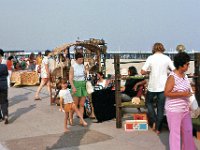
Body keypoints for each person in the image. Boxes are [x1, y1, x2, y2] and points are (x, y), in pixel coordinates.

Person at [164, 52, 196, 150]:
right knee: (175, 135)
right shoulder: (172, 77)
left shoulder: (185, 76)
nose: (188, 66)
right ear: (181, 65)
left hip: (185, 110)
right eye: (187, 64)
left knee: (188, 130)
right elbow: (166, 93)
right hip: (174, 110)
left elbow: (187, 90)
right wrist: (183, 94)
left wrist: (191, 99)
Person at [141, 42, 175, 134]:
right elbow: (174, 70)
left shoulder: (150, 58)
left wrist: (149, 71)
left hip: (152, 86)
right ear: (162, 48)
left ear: (154, 49)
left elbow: (142, 72)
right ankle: (158, 129)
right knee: (161, 107)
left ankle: (155, 121)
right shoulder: (166, 58)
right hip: (163, 86)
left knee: (148, 103)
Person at [69, 52, 87, 125]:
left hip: (83, 84)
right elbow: (70, 79)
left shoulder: (83, 65)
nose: (81, 61)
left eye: (82, 59)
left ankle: (81, 120)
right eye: (79, 59)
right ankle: (70, 117)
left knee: (82, 104)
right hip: (76, 84)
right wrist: (73, 87)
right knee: (75, 105)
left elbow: (84, 75)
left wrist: (86, 73)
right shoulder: (73, 67)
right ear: (76, 59)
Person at [0, 49, 9, 124]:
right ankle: (5, 115)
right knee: (4, 102)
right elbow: (6, 74)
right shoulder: (4, 66)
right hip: (3, 86)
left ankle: (0, 117)